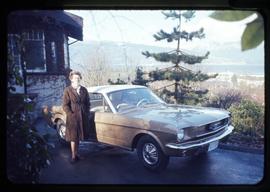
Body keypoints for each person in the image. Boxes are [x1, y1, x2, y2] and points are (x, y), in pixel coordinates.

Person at [62, 71, 90, 164]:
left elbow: (88, 103)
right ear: (71, 79)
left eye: (78, 78)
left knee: (78, 137)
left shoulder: (84, 90)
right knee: (73, 137)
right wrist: (71, 114)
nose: (77, 79)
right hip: (73, 118)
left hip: (82, 117)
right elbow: (65, 105)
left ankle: (77, 154)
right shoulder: (68, 90)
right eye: (75, 78)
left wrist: (86, 112)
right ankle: (73, 156)